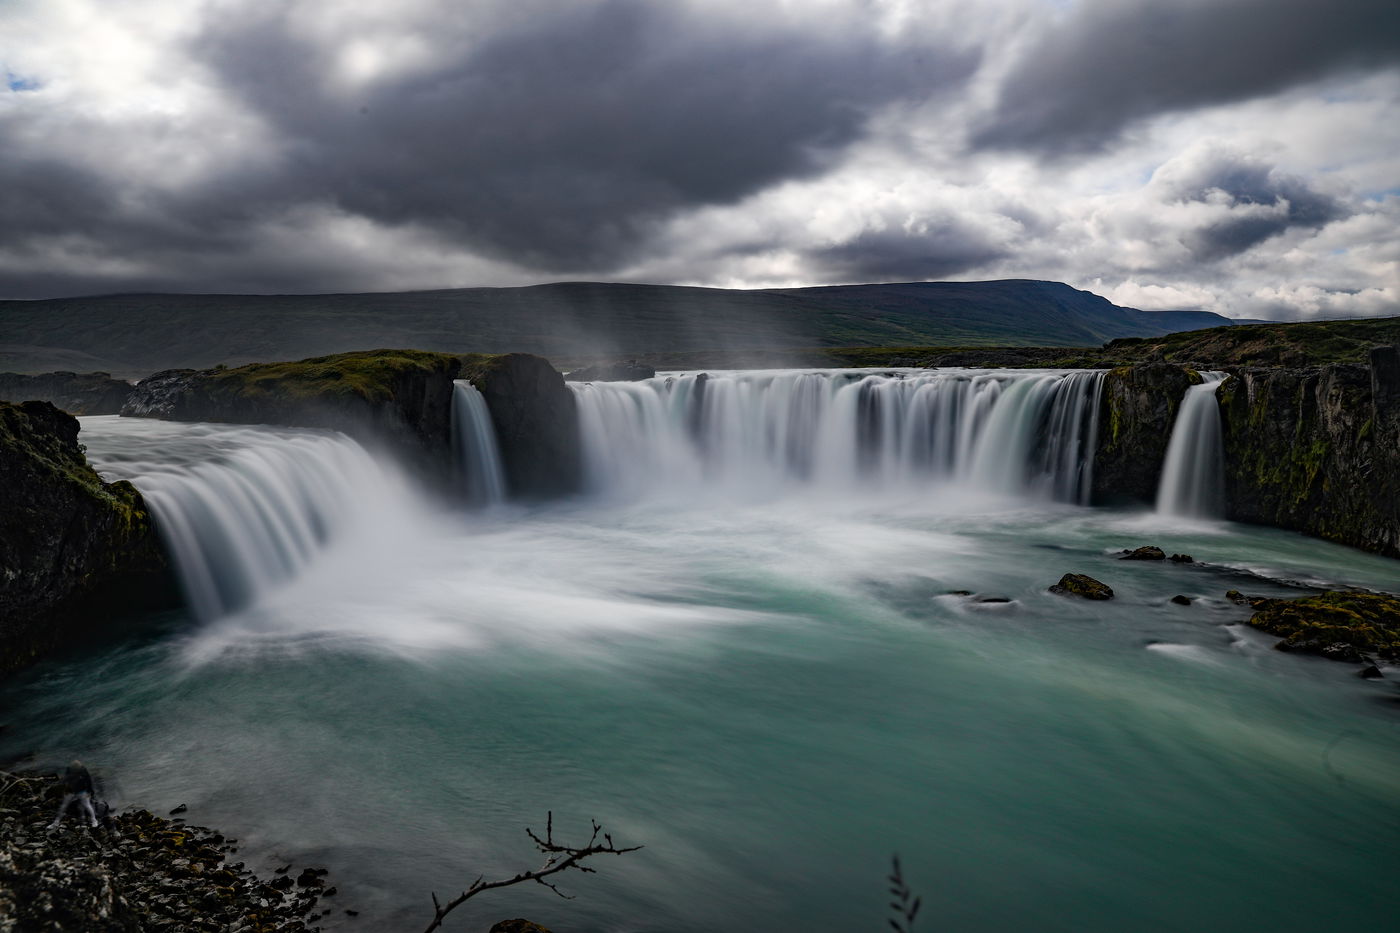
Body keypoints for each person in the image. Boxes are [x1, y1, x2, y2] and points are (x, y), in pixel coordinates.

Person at [48, 760, 99, 830]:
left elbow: (88, 780)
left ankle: (94, 821)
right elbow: (66, 779)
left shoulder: (83, 770)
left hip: (82, 791)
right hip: (71, 790)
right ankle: (56, 822)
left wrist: (90, 791)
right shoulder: (69, 769)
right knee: (63, 806)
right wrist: (64, 787)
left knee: (86, 806)